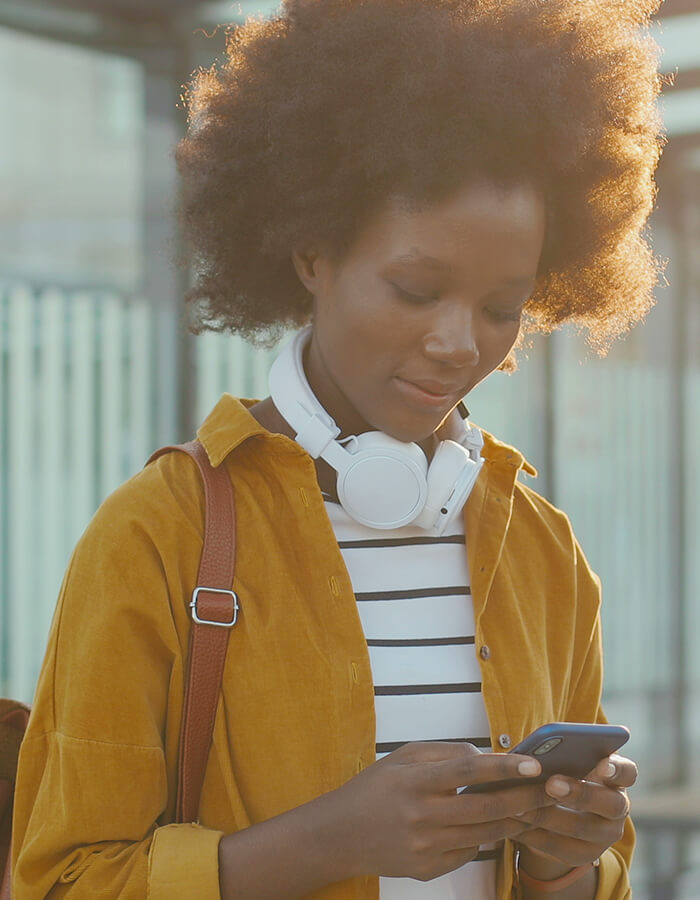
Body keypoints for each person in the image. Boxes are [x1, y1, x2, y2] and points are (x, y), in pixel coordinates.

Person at [12, 0, 664, 897]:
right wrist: (330, 842)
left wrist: (566, 861)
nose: (458, 344)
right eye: (415, 287)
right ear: (311, 251)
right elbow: (62, 881)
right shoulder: (159, 535)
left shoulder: (543, 552)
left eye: (500, 308)